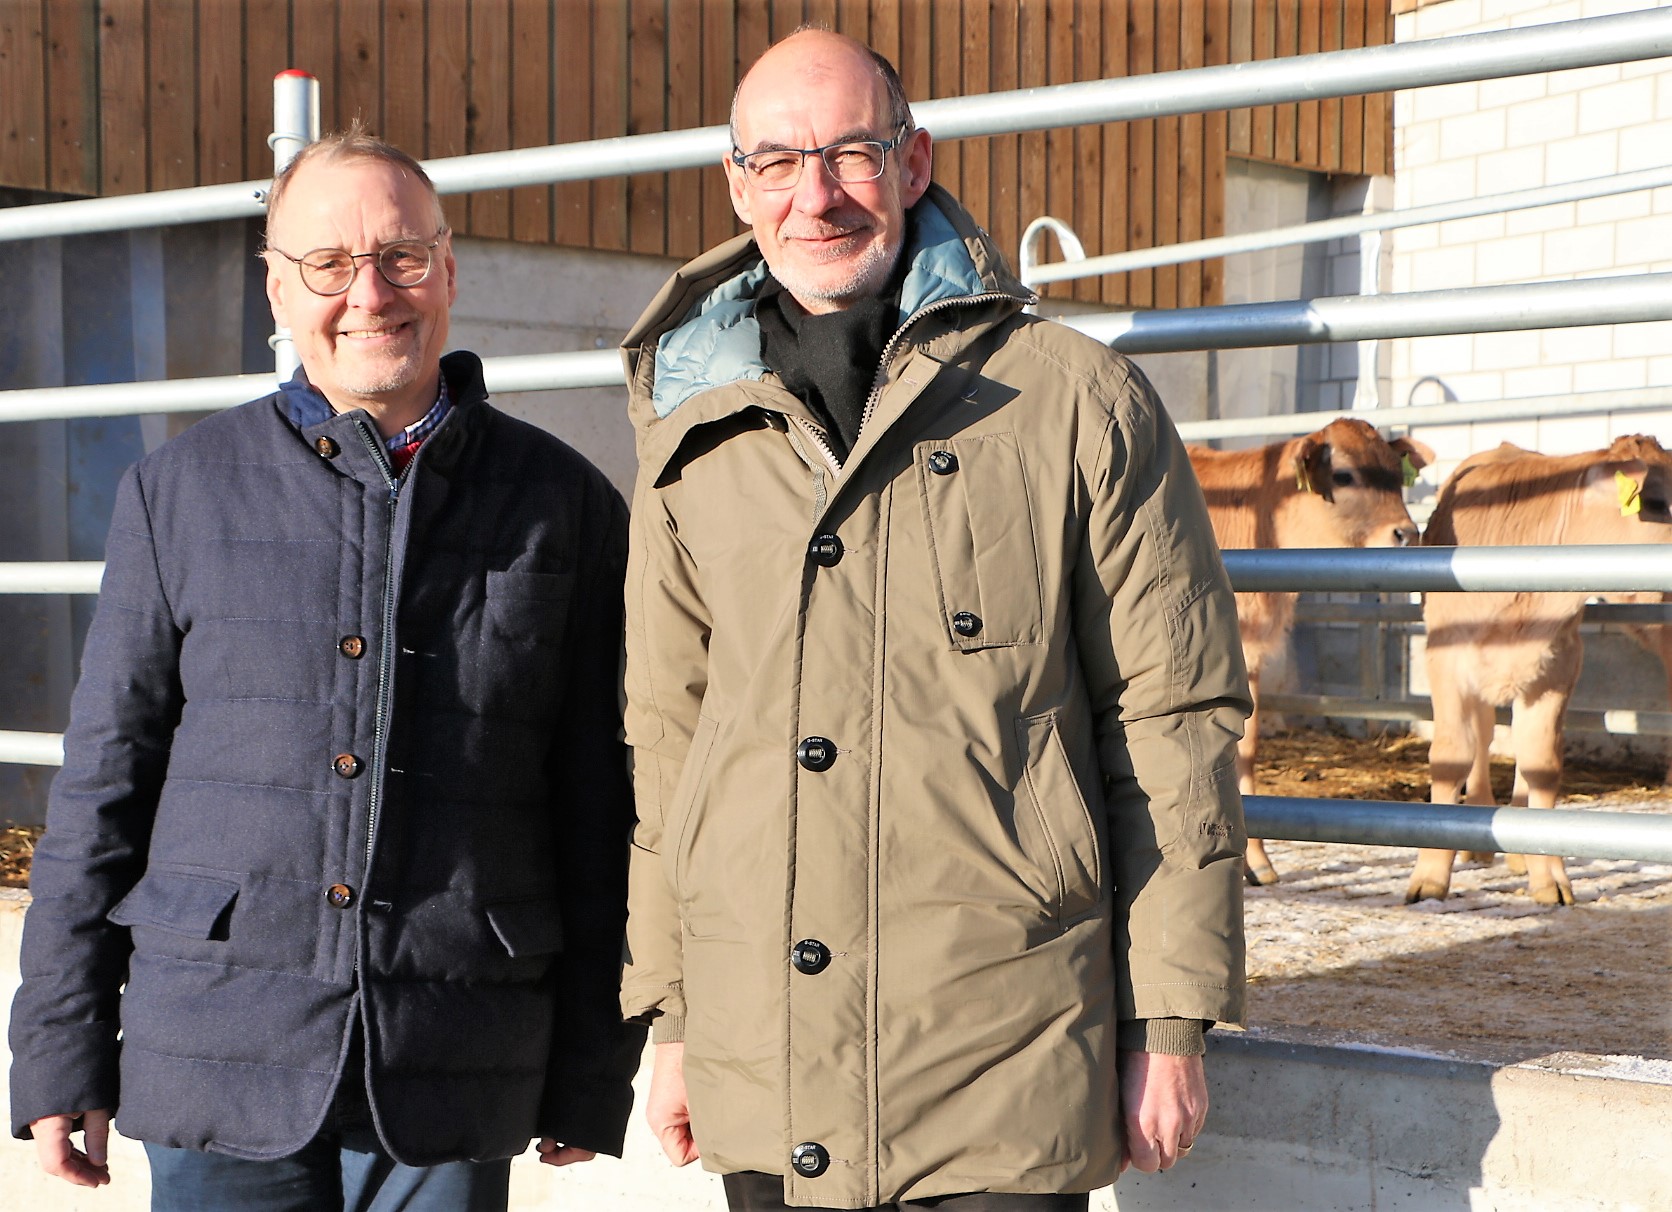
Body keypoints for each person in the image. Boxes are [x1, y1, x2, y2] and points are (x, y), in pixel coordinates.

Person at [618, 27, 1252, 1212]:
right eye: (778, 161)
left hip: (1003, 1049)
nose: (816, 195)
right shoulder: (690, 436)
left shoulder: (1070, 398)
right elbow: (671, 739)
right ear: (736, 184)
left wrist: (1168, 1018)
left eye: (853, 152)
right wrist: (672, 1016)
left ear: (914, 164)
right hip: (768, 1049)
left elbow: (1171, 715)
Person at [9, 128, 644, 1211]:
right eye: (329, 265)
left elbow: (598, 804)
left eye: (401, 256)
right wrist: (60, 1044)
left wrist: (592, 1066)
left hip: (453, 1052)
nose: (369, 293)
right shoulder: (179, 495)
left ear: (448, 269)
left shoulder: (563, 507)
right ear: (276, 286)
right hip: (220, 1047)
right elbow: (104, 784)